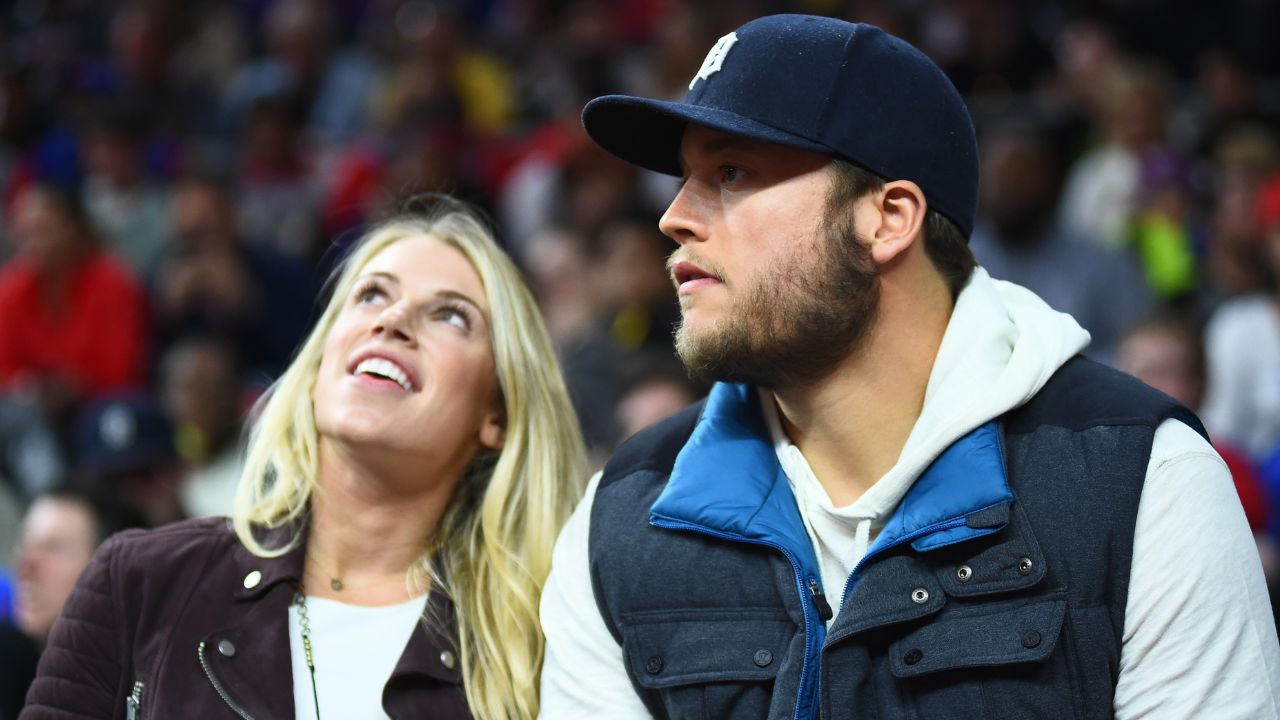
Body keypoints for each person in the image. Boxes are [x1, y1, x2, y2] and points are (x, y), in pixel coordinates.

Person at [540, 14, 1280, 719]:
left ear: (889, 218)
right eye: (684, 176)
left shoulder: (1145, 479)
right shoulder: (619, 514)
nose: (673, 216)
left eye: (731, 172)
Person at [23, 198, 586, 719]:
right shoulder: (139, 581)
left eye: (451, 316)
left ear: (497, 415)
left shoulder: (549, 643)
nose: (391, 321)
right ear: (319, 367)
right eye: (371, 295)